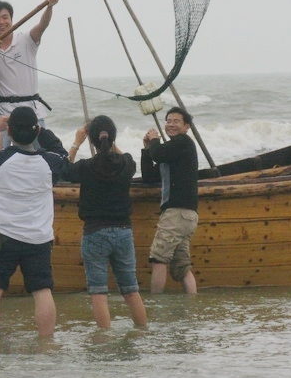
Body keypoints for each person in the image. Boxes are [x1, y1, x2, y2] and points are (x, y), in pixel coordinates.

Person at [0, 106, 69, 339]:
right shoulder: (49, 163)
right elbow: (63, 154)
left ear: (10, 132)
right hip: (37, 238)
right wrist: (43, 132)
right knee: (42, 290)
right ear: (36, 131)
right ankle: (46, 343)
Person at [64, 116, 148, 328]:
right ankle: (142, 331)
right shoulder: (126, 164)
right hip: (123, 231)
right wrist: (109, 141)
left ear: (92, 140)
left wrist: (76, 143)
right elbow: (126, 159)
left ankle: (104, 336)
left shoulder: (86, 167)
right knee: (131, 289)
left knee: (98, 291)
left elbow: (64, 170)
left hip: (95, 232)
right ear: (113, 138)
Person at [0, 0, 59, 145]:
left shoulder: (26, 39)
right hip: (4, 112)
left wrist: (49, 7)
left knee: (40, 152)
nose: (1, 22)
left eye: (5, 17)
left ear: (11, 19)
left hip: (31, 110)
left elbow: (42, 26)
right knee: (1, 154)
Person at [141, 106, 199, 294]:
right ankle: (192, 301)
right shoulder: (172, 150)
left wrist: (154, 140)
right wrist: (146, 149)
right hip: (186, 216)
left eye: (176, 121)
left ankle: (156, 304)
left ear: (186, 126)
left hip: (177, 213)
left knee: (158, 258)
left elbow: (158, 153)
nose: (171, 124)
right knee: (181, 266)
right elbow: (149, 176)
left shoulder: (183, 142)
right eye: (168, 121)